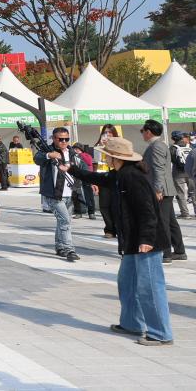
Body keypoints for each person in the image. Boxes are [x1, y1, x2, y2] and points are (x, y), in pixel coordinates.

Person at [60, 136, 173, 345]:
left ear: (115, 158)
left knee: (149, 288)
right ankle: (132, 323)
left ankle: (161, 334)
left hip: (146, 241)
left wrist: (147, 239)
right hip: (131, 241)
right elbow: (99, 179)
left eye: (107, 155)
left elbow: (148, 211)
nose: (104, 158)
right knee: (127, 283)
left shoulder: (133, 177)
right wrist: (72, 170)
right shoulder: (120, 174)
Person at [141, 120, 185, 262]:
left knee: (163, 222)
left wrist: (157, 189)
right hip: (165, 189)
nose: (142, 134)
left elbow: (158, 169)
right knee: (171, 221)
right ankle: (179, 250)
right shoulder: (159, 145)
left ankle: (166, 253)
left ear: (148, 132)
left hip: (162, 190)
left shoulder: (156, 147)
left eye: (143, 131)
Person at [33, 127, 80, 262]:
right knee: (65, 221)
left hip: (70, 193)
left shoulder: (72, 152)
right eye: (61, 139)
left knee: (63, 221)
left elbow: (80, 168)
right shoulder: (47, 150)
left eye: (66, 139)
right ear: (54, 139)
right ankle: (69, 249)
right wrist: (49, 155)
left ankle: (60, 247)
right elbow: (37, 158)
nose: (64, 142)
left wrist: (90, 183)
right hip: (54, 194)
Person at [97, 125, 120, 238]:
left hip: (116, 176)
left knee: (116, 204)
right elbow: (95, 163)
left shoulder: (119, 144)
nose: (108, 135)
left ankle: (118, 227)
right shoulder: (98, 145)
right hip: (102, 177)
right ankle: (109, 229)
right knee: (104, 205)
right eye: (105, 132)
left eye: (110, 132)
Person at [71, 144, 97, 221]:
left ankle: (87, 212)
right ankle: (84, 212)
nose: (74, 150)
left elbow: (90, 164)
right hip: (82, 177)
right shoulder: (82, 156)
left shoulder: (83, 156)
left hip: (84, 177)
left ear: (79, 149)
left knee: (85, 195)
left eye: (75, 149)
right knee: (79, 195)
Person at [170, 131, 192, 219]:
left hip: (178, 173)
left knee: (181, 194)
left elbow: (172, 160)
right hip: (190, 173)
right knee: (193, 193)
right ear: (182, 137)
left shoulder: (172, 148)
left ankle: (185, 213)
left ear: (173, 138)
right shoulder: (189, 147)